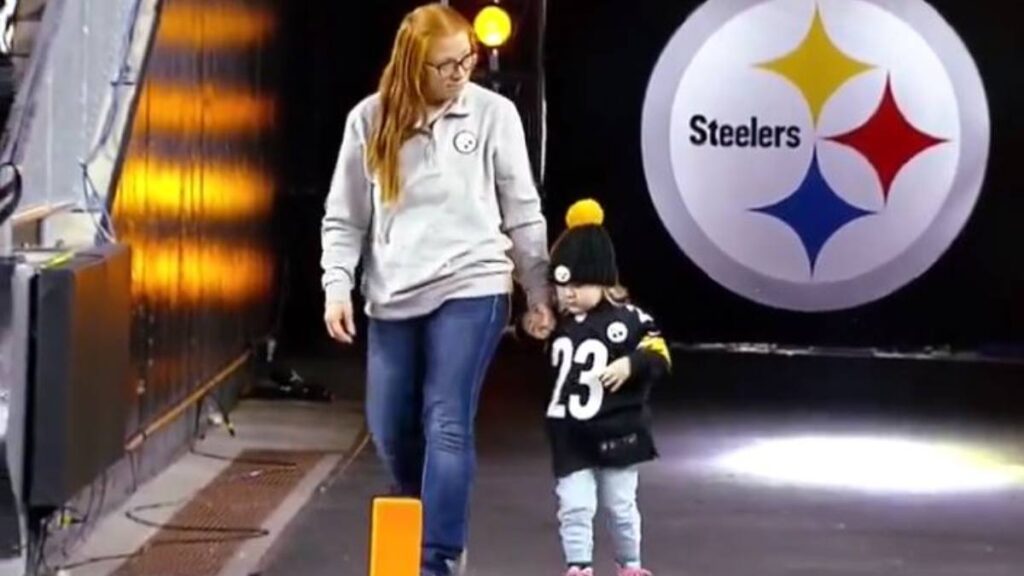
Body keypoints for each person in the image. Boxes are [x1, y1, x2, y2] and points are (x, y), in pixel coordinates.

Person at [319, 3, 554, 575]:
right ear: (412, 66)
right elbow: (345, 217)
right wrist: (336, 286)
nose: (460, 73)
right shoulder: (369, 121)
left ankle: (438, 558)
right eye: (445, 65)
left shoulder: (494, 114)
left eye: (467, 60)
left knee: (446, 418)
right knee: (391, 428)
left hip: (474, 282)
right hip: (394, 290)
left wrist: (537, 289)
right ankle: (422, 514)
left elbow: (523, 210)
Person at [543, 199, 670, 576]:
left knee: (620, 506)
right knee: (574, 505)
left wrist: (631, 363)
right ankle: (578, 566)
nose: (568, 294)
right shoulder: (556, 322)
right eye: (562, 285)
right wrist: (529, 327)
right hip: (570, 433)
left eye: (579, 285)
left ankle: (630, 565)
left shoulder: (629, 319)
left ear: (603, 280)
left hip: (619, 431)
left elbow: (660, 352)